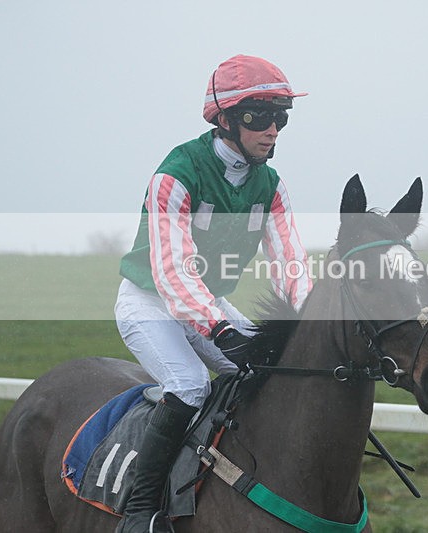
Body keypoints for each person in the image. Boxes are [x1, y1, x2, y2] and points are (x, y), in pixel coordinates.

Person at [114, 54, 312, 533]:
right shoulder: (175, 174)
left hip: (209, 302)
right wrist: (220, 330)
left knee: (268, 375)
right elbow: (173, 272)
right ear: (224, 120)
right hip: (149, 301)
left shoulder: (271, 185)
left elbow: (291, 265)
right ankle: (140, 513)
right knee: (189, 387)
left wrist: (313, 323)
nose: (272, 130)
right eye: (258, 117)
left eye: (280, 118)